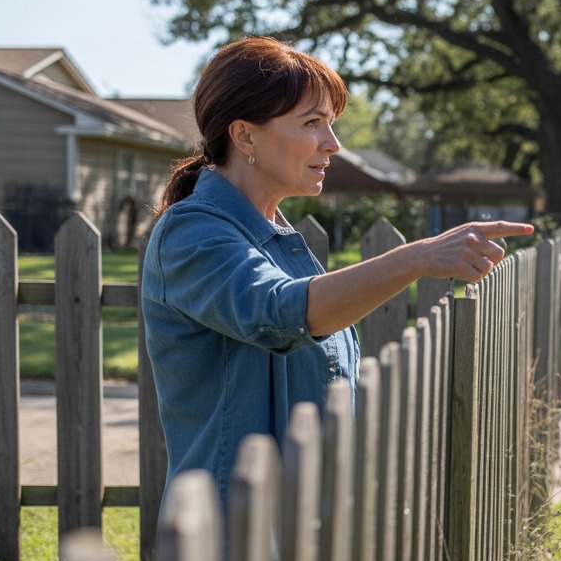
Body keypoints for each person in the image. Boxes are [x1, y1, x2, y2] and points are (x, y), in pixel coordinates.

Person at [142, 36, 533, 516]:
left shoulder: (271, 233)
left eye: (331, 123)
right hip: (234, 534)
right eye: (312, 124)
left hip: (299, 522)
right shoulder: (193, 232)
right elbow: (282, 313)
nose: (333, 144)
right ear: (244, 136)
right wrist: (419, 257)